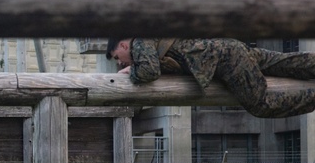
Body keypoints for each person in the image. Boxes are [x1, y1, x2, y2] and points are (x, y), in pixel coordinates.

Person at [106, 38, 315, 119]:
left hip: (227, 59)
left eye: (118, 57)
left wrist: (131, 72)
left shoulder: (140, 42)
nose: (120, 63)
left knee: (261, 105)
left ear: (124, 45)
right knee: (286, 63)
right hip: (230, 50)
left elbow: (149, 72)